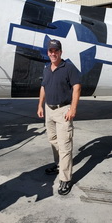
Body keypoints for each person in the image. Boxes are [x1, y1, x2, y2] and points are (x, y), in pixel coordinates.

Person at [37, 39, 81, 195]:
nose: (53, 53)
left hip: (63, 111)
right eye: (51, 51)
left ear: (61, 52)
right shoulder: (47, 68)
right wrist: (40, 105)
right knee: (53, 140)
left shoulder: (69, 68)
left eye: (56, 51)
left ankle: (65, 179)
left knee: (65, 146)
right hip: (49, 110)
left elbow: (77, 88)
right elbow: (43, 87)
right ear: (48, 52)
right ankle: (58, 165)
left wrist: (73, 108)